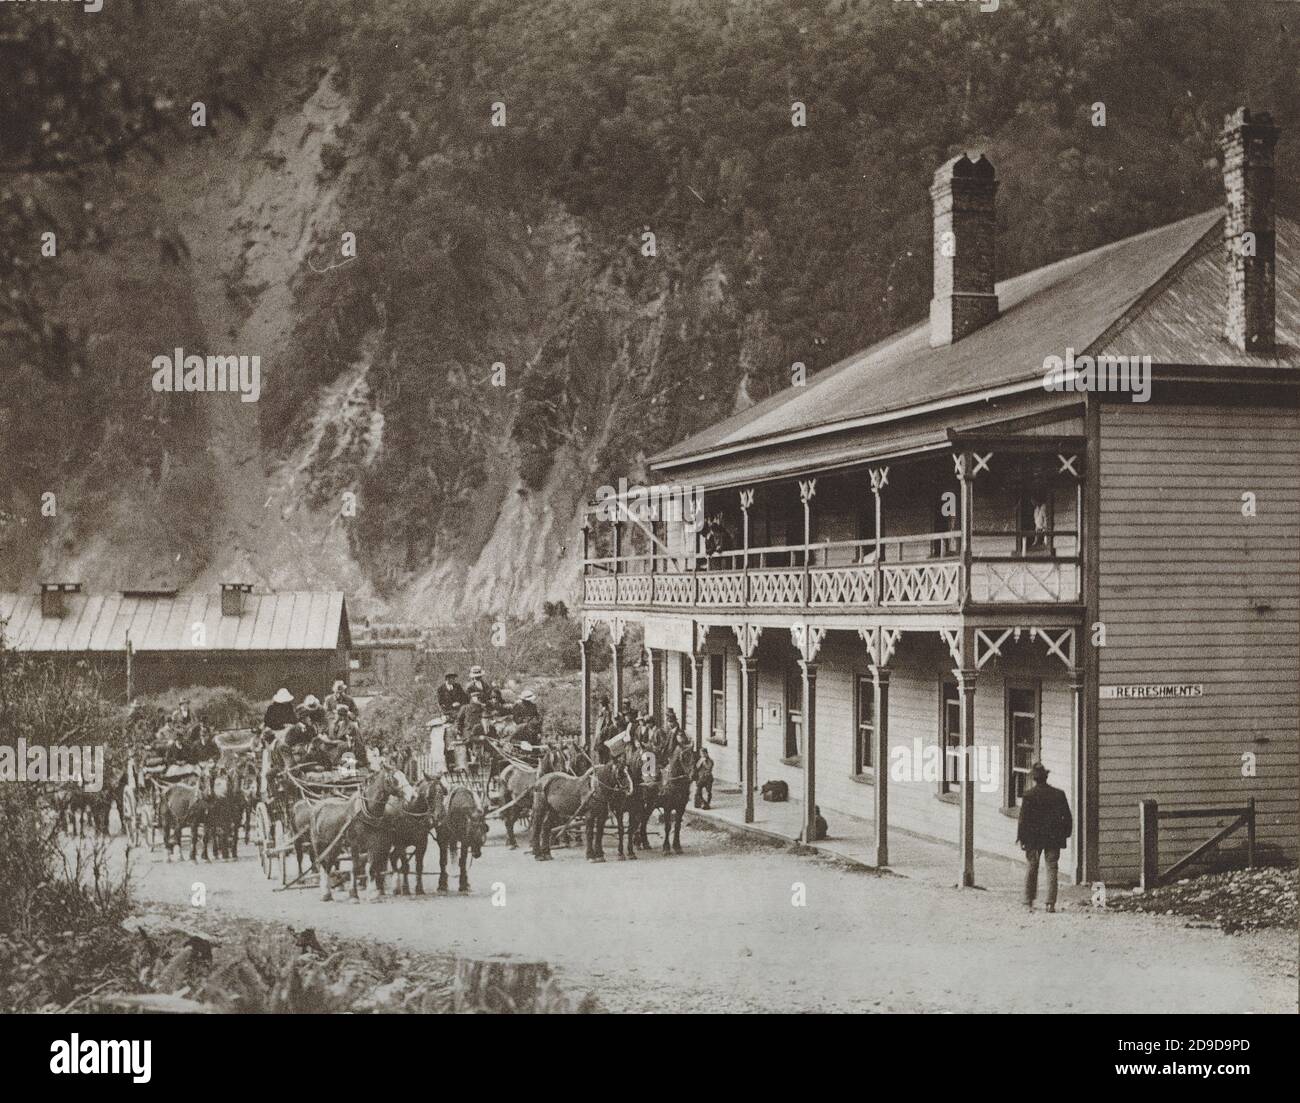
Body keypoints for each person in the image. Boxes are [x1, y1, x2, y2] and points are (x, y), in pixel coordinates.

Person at [1016, 762, 1073, 913]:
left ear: (1034, 778)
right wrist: (1065, 834)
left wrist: (1021, 838)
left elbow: (1023, 820)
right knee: (1052, 868)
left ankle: (1028, 900)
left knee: (1031, 867)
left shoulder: (1029, 796)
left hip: (1033, 839)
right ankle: (1050, 903)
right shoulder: (1058, 794)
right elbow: (1067, 817)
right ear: (1046, 777)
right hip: (1054, 838)